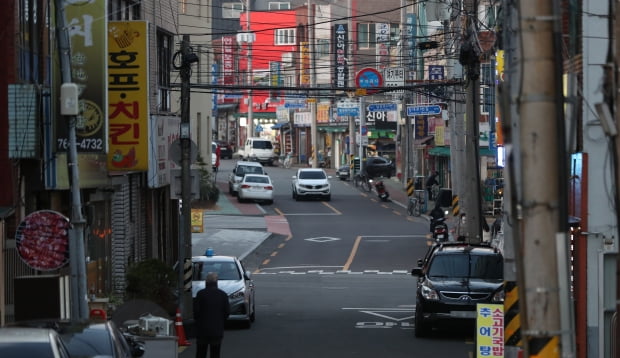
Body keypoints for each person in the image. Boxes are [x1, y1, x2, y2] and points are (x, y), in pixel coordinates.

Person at [194, 272, 230, 358]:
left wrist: (198, 322)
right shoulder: (223, 295)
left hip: (202, 329)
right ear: (216, 282)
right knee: (215, 353)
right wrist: (221, 321)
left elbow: (196, 312)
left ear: (206, 282)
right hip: (217, 329)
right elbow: (227, 312)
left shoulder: (200, 294)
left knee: (201, 353)